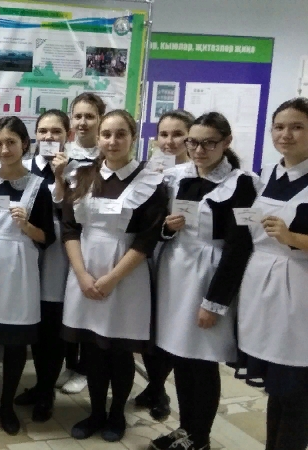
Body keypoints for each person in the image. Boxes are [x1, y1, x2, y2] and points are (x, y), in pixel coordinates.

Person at [149, 112, 257, 450]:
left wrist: (215, 302)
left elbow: (240, 247)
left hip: (209, 277)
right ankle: (186, 430)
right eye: (193, 142)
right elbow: (156, 228)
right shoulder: (174, 177)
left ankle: (201, 438)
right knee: (181, 356)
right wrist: (167, 229)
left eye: (209, 143)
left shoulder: (243, 184)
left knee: (202, 361)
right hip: (174, 276)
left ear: (226, 143)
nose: (198, 150)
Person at [61, 110, 168, 442]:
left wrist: (111, 279)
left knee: (120, 351)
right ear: (98, 137)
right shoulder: (80, 176)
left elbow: (147, 240)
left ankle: (117, 414)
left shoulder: (151, 182)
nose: (112, 141)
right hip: (85, 269)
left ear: (133, 137)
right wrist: (82, 274)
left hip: (126, 275)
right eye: (106, 134)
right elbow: (69, 228)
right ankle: (95, 413)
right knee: (92, 349)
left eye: (121, 134)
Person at [0, 116, 55, 436]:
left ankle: (6, 407)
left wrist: (26, 226)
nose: (4, 149)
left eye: (11, 143)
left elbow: (47, 238)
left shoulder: (38, 188)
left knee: (15, 345)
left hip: (19, 275)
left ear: (25, 145)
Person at [236, 97, 308, 450]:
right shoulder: (266, 175)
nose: (286, 134)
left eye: (297, 127)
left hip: (299, 293)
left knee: (297, 389)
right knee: (277, 388)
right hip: (262, 289)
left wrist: (292, 238)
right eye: (279, 127)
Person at [135, 109, 196, 422]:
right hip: (148, 254)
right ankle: (155, 387)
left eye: (177, 134)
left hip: (184, 259)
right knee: (149, 325)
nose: (169, 141)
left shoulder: (198, 173)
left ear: (190, 138)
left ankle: (157, 388)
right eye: (164, 134)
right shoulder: (148, 170)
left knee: (171, 326)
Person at [14, 109, 72, 422]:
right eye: (43, 131)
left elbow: (72, 212)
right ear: (35, 135)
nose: (49, 137)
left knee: (51, 324)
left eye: (56, 131)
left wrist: (61, 176)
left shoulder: (76, 170)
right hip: (25, 248)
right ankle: (40, 384)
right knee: (33, 323)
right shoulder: (23, 168)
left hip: (57, 253)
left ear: (67, 136)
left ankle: (47, 390)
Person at [56, 92, 107, 395]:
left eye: (90, 116)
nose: (83, 122)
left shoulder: (108, 154)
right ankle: (70, 362)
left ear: (100, 119)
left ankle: (86, 368)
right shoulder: (62, 154)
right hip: (65, 238)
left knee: (89, 303)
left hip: (94, 243)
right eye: (78, 116)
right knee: (68, 303)